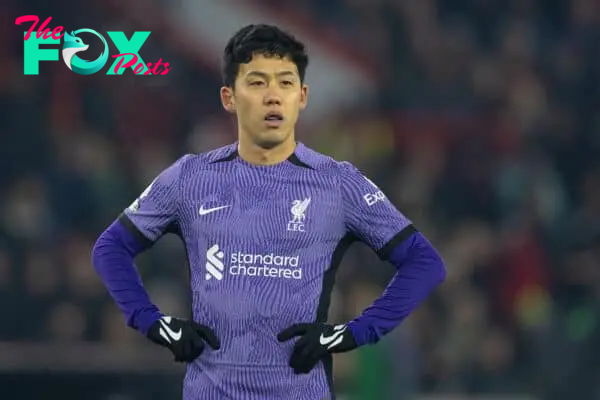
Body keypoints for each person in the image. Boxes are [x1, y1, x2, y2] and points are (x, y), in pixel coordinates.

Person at [91, 23, 446, 400]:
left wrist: (353, 332)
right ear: (229, 97)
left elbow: (424, 263)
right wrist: (155, 324)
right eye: (257, 83)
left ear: (303, 96)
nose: (273, 97)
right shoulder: (190, 177)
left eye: (286, 83)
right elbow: (110, 249)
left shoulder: (339, 183)